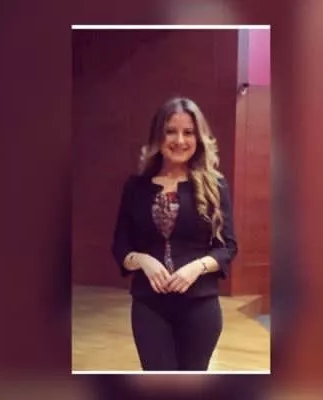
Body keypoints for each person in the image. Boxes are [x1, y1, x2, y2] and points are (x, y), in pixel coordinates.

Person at [111, 97, 238, 371]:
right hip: (149, 305)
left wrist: (196, 268)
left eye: (188, 132)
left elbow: (228, 247)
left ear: (198, 138)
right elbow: (120, 245)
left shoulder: (215, 185)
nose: (180, 140)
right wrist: (143, 260)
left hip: (200, 305)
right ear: (158, 136)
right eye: (171, 131)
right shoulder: (135, 187)